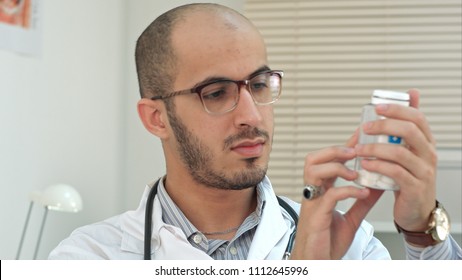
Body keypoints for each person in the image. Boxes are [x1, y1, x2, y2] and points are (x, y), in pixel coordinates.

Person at [49, 3, 461, 260]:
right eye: (216, 92)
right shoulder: (90, 258)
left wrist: (422, 231)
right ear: (156, 118)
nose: (252, 115)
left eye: (260, 85)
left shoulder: (346, 242)